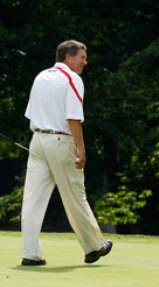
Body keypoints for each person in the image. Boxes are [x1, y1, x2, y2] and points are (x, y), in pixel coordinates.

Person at [21, 40, 112, 266]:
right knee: (75, 196)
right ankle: (93, 247)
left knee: (32, 199)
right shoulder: (73, 79)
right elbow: (73, 117)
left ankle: (31, 254)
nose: (85, 62)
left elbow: (31, 114)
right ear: (68, 57)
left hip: (38, 140)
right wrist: (81, 149)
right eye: (82, 57)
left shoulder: (40, 76)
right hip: (61, 140)